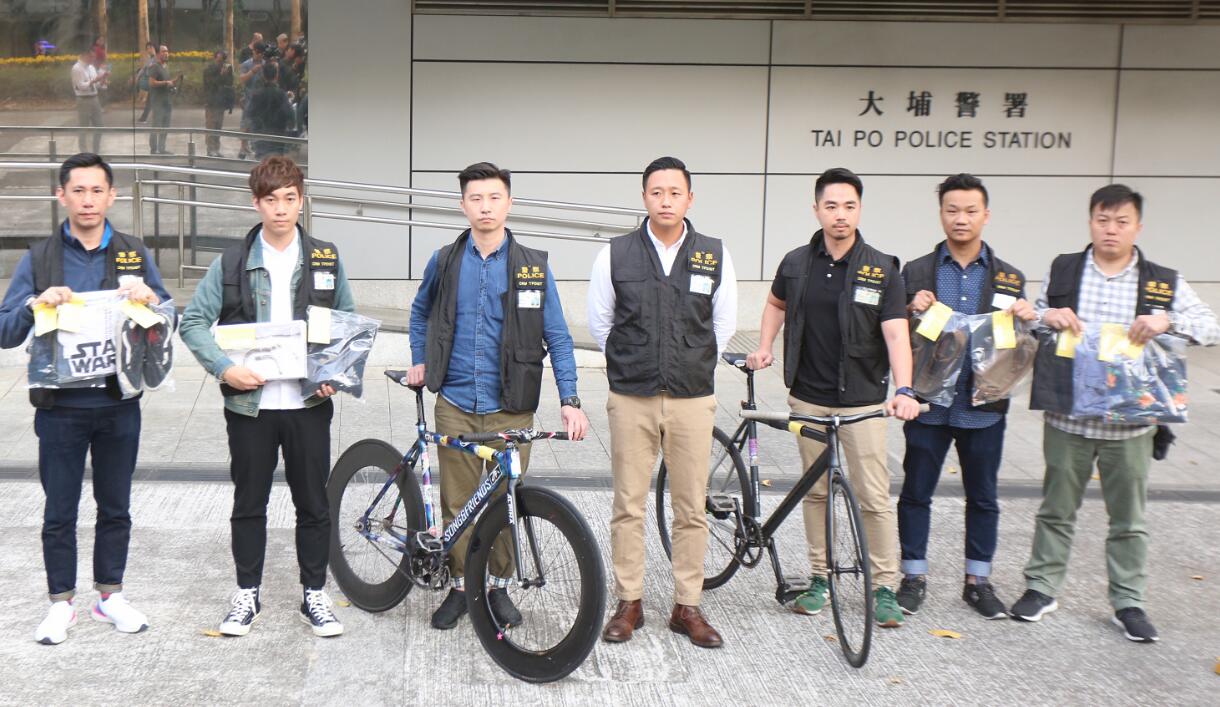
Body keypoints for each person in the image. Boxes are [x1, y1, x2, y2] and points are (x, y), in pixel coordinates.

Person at [1012, 184, 1219, 642]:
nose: (1111, 229)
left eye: (1121, 222)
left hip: (1132, 423)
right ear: (1090, 222)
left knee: (1128, 519)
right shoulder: (1065, 268)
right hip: (1067, 416)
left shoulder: (1162, 281)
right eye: (1102, 220)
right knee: (1055, 509)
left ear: (1137, 227)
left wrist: (1169, 320)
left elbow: (1211, 327)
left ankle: (1128, 602)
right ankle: (1041, 587)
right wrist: (1047, 317)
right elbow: (1033, 321)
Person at [407, 162, 589, 630]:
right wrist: (419, 359)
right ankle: (459, 586)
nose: (485, 207)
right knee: (458, 502)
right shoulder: (444, 261)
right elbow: (419, 312)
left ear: (509, 203)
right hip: (455, 403)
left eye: (494, 198)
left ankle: (497, 586)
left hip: (512, 407)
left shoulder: (533, 267)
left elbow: (558, 336)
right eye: (476, 198)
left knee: (506, 502)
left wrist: (569, 399)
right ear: (462, 204)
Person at [179, 156, 353, 638]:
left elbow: (347, 322)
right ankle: (246, 594)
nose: (281, 209)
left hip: (307, 405)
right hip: (249, 407)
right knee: (249, 502)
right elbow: (192, 322)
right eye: (271, 199)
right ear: (256, 203)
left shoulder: (325, 258)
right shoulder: (232, 262)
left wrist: (332, 375)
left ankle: (314, 594)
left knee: (313, 504)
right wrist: (225, 368)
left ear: (302, 200)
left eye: (289, 198)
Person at [0, 153, 170, 645]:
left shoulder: (134, 253)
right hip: (61, 407)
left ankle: (110, 595)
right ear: (62, 196)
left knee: (116, 505)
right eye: (78, 190)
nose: (88, 200)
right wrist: (34, 305)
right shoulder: (40, 258)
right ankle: (60, 603)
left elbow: (166, 319)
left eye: (97, 190)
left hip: (119, 401)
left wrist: (150, 302)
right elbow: (5, 330)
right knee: (60, 510)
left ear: (112, 196)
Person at [746, 167, 922, 628]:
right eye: (831, 206)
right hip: (808, 399)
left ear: (859, 210)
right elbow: (776, 304)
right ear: (817, 210)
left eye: (849, 206)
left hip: (863, 402)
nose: (840, 214)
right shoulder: (795, 263)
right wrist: (764, 346)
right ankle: (819, 579)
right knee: (817, 493)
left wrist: (904, 389)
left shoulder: (881, 268)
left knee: (873, 495)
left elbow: (897, 335)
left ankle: (884, 587)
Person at [589, 156, 737, 648]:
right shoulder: (616, 254)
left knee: (691, 506)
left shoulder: (714, 254)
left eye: (675, 192)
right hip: (631, 395)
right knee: (628, 503)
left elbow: (722, 325)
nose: (666, 200)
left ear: (689, 198)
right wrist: (635, 360)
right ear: (644, 197)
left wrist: (689, 361)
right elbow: (601, 322)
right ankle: (629, 601)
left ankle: (687, 605)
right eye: (657, 192)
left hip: (692, 398)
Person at [895, 174, 1037, 619]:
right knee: (916, 492)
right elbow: (895, 332)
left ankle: (978, 581)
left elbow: (1016, 347)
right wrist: (909, 308)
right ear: (941, 214)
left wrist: (1026, 318)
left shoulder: (1008, 277)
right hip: (928, 404)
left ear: (985, 216)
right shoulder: (917, 271)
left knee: (984, 497)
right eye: (952, 210)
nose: (961, 218)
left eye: (971, 211)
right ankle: (913, 576)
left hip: (984, 406)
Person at [247, 62, 293, 159]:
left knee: (262, 161)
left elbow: (250, 113)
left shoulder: (256, 94)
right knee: (276, 162)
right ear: (276, 76)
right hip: (278, 134)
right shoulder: (282, 94)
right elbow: (289, 113)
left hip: (260, 133)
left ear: (263, 76)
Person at [146, 46, 180, 155]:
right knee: (156, 125)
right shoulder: (154, 67)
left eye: (167, 51)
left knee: (166, 125)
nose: (166, 53)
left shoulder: (165, 67)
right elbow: (151, 83)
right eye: (163, 51)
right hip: (158, 102)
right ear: (158, 54)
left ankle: (162, 148)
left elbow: (167, 82)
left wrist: (172, 85)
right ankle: (153, 149)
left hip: (167, 101)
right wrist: (166, 83)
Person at [71, 49, 105, 153]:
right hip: (83, 99)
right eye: (91, 57)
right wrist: (94, 81)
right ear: (84, 55)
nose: (93, 59)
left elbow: (96, 85)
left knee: (99, 126)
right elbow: (81, 86)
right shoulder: (77, 68)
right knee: (83, 127)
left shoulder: (91, 67)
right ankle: (83, 152)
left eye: (94, 57)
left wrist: (103, 79)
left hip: (95, 98)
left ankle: (96, 151)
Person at [238, 42, 267, 160]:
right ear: (253, 51)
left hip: (262, 99)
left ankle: (257, 147)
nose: (259, 55)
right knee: (246, 123)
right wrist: (252, 71)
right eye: (257, 52)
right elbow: (242, 79)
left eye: (261, 53)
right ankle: (243, 147)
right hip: (249, 98)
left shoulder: (266, 64)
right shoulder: (246, 64)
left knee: (260, 124)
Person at [203, 50, 235, 157]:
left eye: (223, 60)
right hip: (211, 102)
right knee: (211, 126)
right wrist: (221, 75)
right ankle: (210, 149)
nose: (221, 63)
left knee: (218, 127)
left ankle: (216, 148)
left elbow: (230, 83)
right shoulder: (209, 69)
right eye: (219, 60)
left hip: (221, 102)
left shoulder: (227, 69)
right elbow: (211, 84)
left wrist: (228, 73)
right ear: (215, 59)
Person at [135, 42, 157, 124]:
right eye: (147, 48)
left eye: (149, 48)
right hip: (152, 82)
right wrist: (138, 77)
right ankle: (145, 118)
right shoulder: (150, 59)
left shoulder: (157, 58)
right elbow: (144, 69)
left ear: (153, 48)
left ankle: (144, 118)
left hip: (156, 82)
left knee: (151, 101)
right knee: (151, 101)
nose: (148, 50)